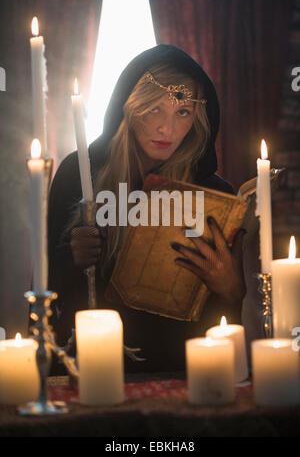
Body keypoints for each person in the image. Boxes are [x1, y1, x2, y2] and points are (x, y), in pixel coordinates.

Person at [48, 44, 246, 374]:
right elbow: (47, 290)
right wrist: (71, 258)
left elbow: (227, 321)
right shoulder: (78, 174)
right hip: (91, 370)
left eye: (182, 112)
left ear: (198, 116)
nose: (166, 128)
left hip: (184, 372)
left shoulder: (215, 194)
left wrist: (231, 288)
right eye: (154, 109)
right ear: (129, 107)